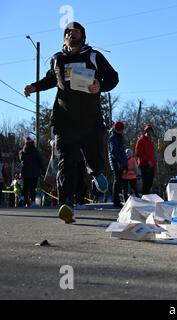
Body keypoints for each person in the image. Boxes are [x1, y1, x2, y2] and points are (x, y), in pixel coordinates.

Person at [24, 22, 119, 223]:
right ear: (64, 38)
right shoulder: (58, 59)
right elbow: (51, 79)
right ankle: (66, 204)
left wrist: (100, 85)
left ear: (83, 37)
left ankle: (96, 171)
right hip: (64, 119)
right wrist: (34, 86)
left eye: (75, 32)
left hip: (89, 119)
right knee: (66, 162)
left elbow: (113, 77)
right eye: (68, 32)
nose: (71, 34)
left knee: (92, 153)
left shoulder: (93, 56)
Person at [19, 137, 45, 207]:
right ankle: (33, 201)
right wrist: (43, 172)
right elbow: (40, 162)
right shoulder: (36, 152)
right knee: (32, 188)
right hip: (34, 173)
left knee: (25, 187)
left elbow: (21, 160)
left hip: (25, 172)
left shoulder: (22, 152)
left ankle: (22, 199)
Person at [108, 121, 128, 208]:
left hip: (120, 162)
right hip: (116, 163)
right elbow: (114, 152)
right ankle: (115, 201)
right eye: (121, 129)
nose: (122, 131)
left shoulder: (119, 137)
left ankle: (117, 200)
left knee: (119, 182)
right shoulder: (113, 137)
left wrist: (125, 163)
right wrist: (120, 162)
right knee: (117, 181)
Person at [135, 124, 156, 195]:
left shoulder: (150, 141)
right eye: (148, 131)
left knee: (150, 183)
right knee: (145, 184)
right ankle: (145, 199)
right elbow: (138, 153)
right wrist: (147, 161)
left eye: (151, 132)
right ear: (145, 132)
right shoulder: (140, 140)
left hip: (151, 165)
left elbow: (152, 154)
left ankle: (148, 199)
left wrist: (153, 163)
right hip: (144, 165)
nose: (149, 133)